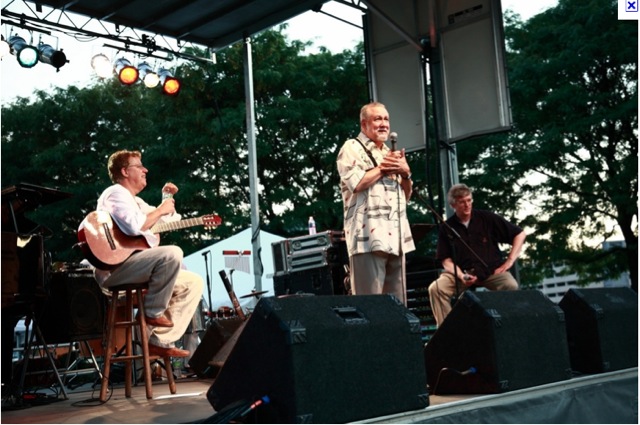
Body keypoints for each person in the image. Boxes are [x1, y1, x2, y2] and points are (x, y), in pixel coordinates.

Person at [79, 150, 203, 358]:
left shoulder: (136, 202)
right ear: (125, 171)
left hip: (135, 267)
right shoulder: (115, 193)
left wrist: (167, 199)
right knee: (172, 253)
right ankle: (152, 314)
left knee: (193, 282)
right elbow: (134, 227)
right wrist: (161, 210)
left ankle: (159, 340)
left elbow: (165, 222)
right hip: (115, 269)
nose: (146, 169)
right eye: (139, 166)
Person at [336, 102, 415, 304]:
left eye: (386, 119)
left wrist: (406, 174)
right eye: (377, 119)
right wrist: (383, 168)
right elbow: (357, 182)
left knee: (398, 309)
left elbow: (405, 197)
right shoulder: (352, 147)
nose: (383, 124)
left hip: (396, 239)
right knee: (371, 307)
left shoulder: (390, 153)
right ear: (364, 125)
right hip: (367, 238)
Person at [428, 183, 526, 327]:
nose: (467, 205)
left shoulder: (487, 218)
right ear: (453, 205)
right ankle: (447, 332)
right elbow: (445, 260)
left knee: (510, 285)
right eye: (462, 202)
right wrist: (461, 275)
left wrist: (509, 261)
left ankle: (506, 327)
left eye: (469, 200)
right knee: (436, 288)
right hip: (461, 273)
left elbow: (520, 234)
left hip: (491, 271)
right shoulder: (447, 227)